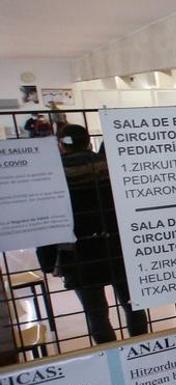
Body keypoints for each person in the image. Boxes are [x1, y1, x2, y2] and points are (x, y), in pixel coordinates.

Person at [36, 125, 148, 344]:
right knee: (134, 303)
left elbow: (48, 218)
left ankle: (110, 356)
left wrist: (47, 260)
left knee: (95, 312)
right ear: (88, 141)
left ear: (60, 144)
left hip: (78, 251)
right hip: (118, 246)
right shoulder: (110, 166)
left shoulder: (52, 174)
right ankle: (143, 349)